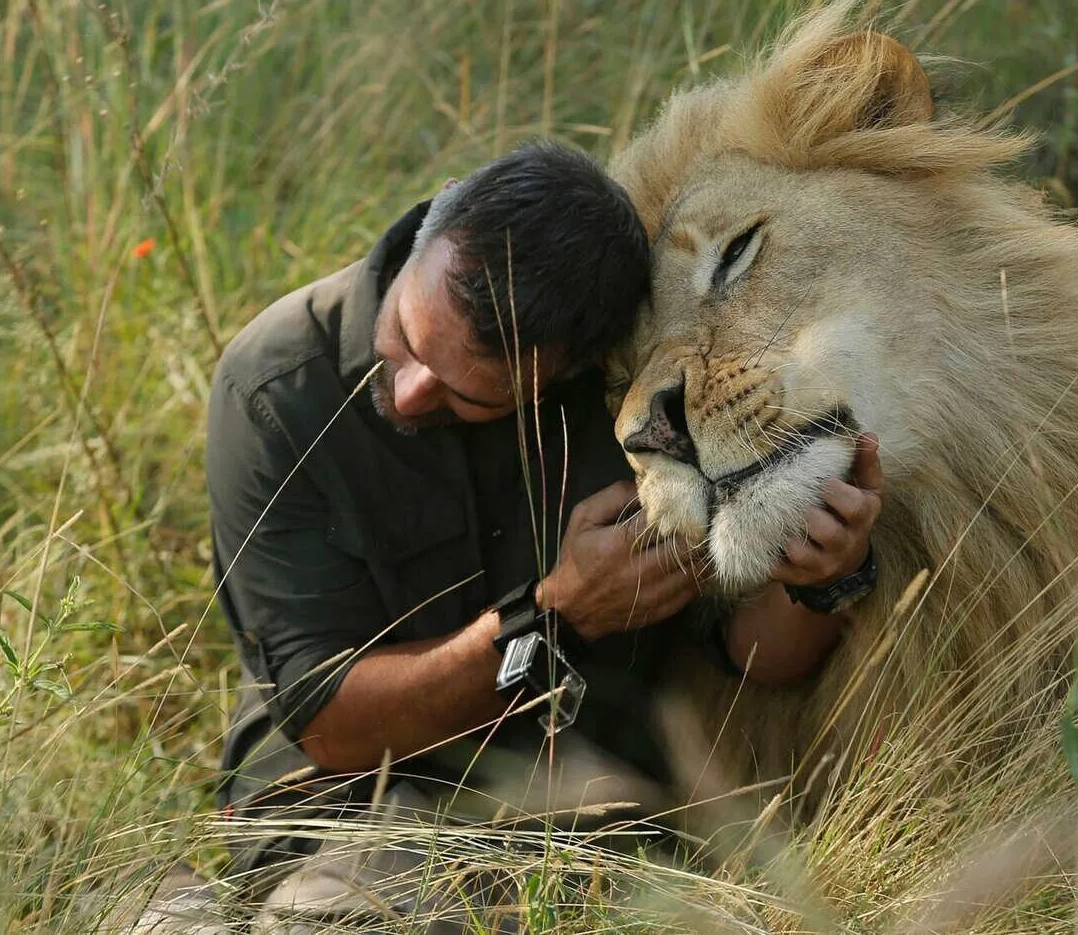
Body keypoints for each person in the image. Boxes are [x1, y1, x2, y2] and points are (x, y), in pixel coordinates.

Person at [131, 141, 883, 934]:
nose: (412, 389)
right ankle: (163, 910)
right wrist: (556, 614)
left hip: (589, 820)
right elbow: (331, 721)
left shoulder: (625, 398)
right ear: (437, 220)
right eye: (408, 336)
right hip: (349, 805)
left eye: (465, 393)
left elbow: (749, 654)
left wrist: (825, 574)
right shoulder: (276, 387)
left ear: (562, 372)